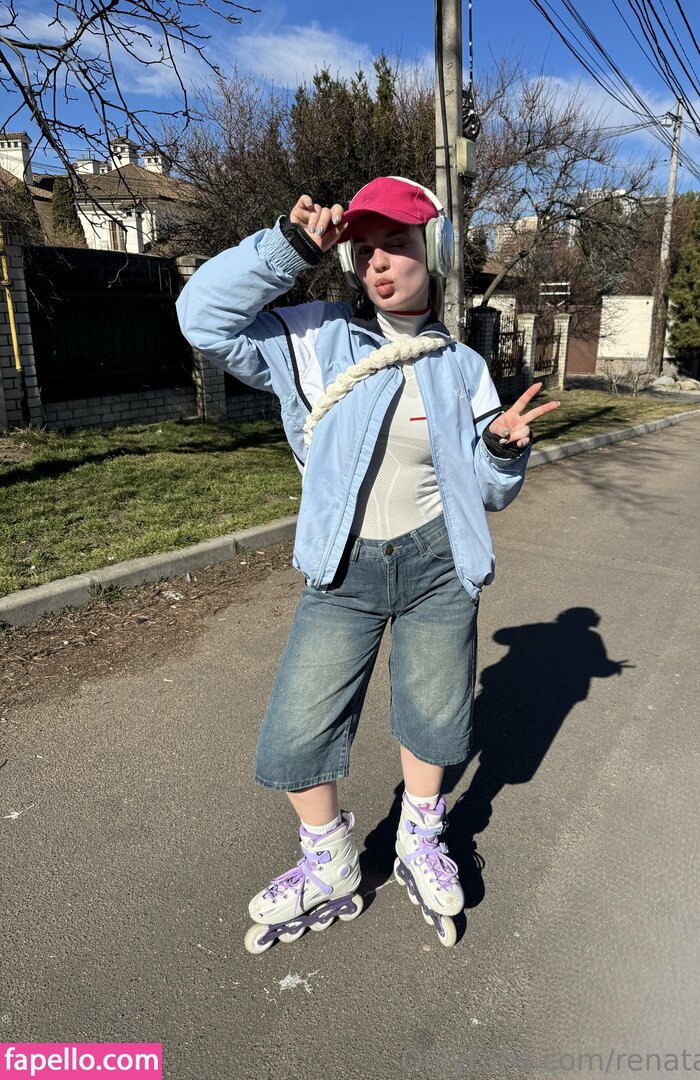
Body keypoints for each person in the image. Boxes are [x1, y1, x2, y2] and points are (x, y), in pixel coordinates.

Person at [176, 176, 560, 950]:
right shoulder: (314, 338)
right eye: (365, 250)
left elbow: (488, 492)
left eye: (397, 244)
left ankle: (420, 838)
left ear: (430, 252)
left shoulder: (463, 367)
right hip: (344, 570)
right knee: (296, 732)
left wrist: (500, 450)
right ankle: (329, 862)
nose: (379, 262)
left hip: (437, 567)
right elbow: (202, 317)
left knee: (437, 718)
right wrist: (287, 248)